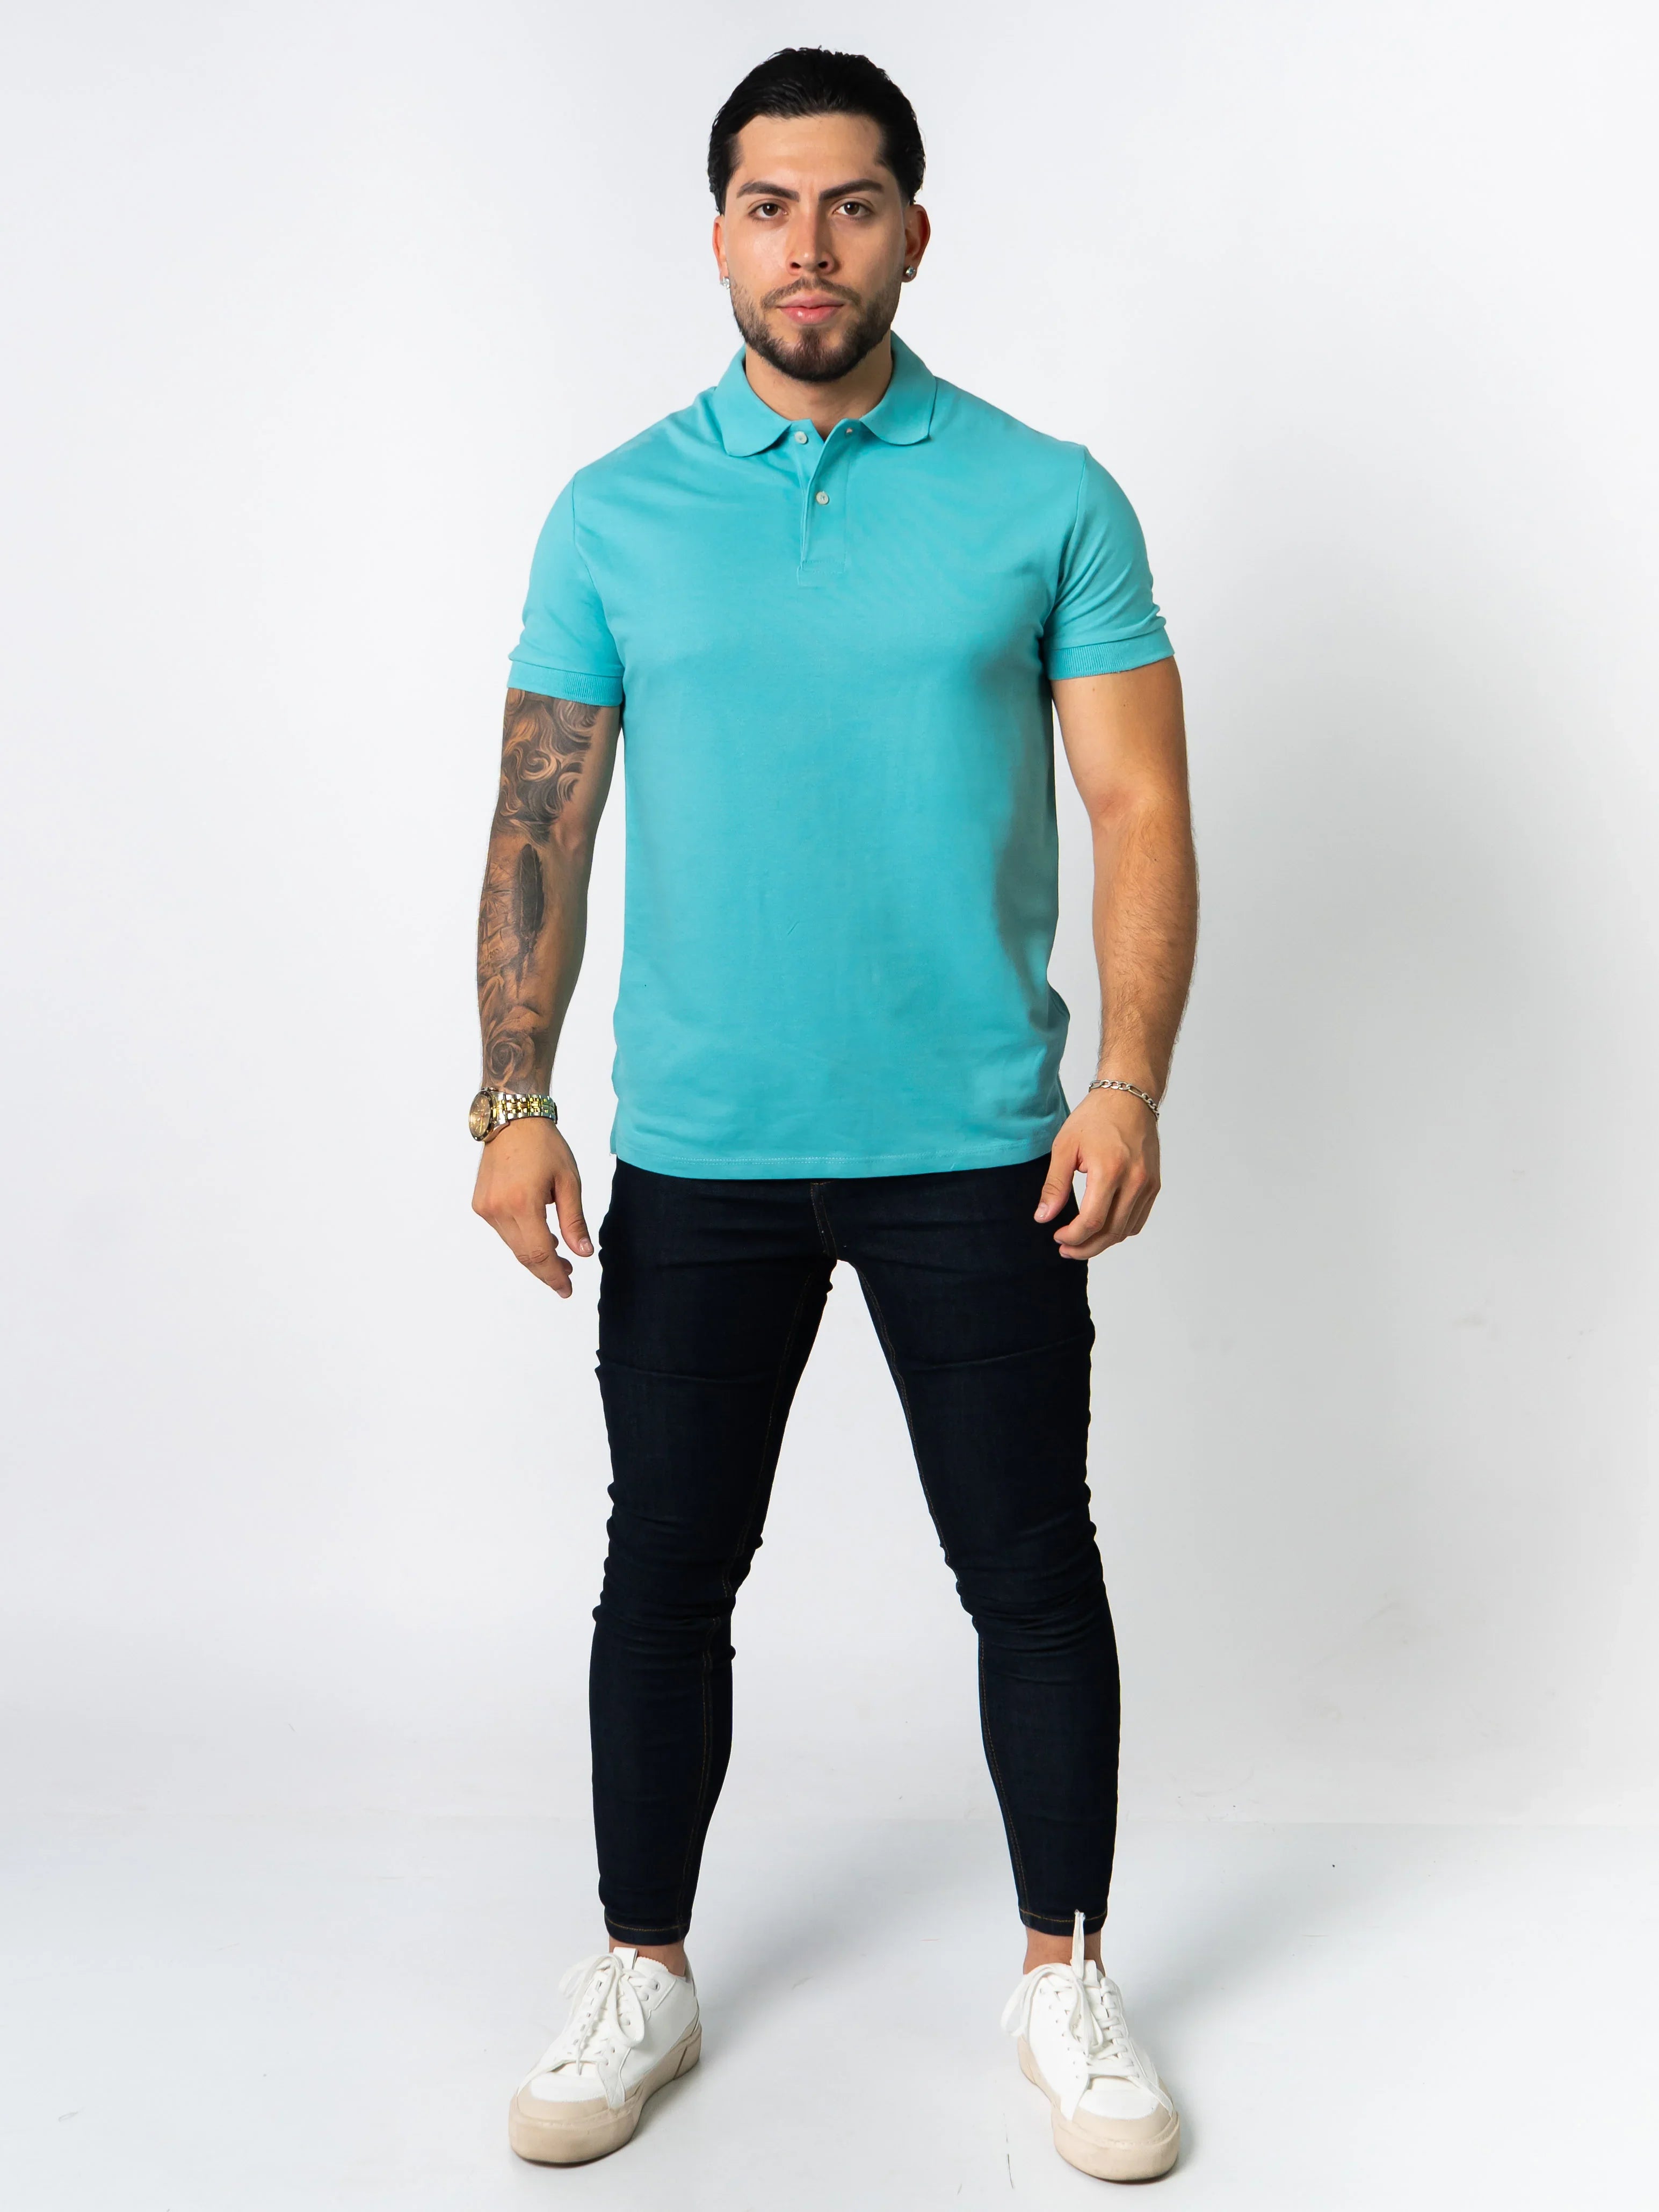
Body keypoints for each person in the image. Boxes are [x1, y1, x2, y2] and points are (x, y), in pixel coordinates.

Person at [469, 46, 1198, 2185]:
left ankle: (1063, 1971)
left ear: (912, 232)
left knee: (1027, 1566)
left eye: (851, 204)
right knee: (665, 1571)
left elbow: (1138, 805)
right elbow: (538, 822)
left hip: (979, 1147)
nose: (809, 247)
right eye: (768, 206)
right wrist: (513, 1094)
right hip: (700, 1153)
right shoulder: (613, 512)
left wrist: (1127, 1078)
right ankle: (644, 1967)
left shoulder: (1044, 495)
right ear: (717, 235)